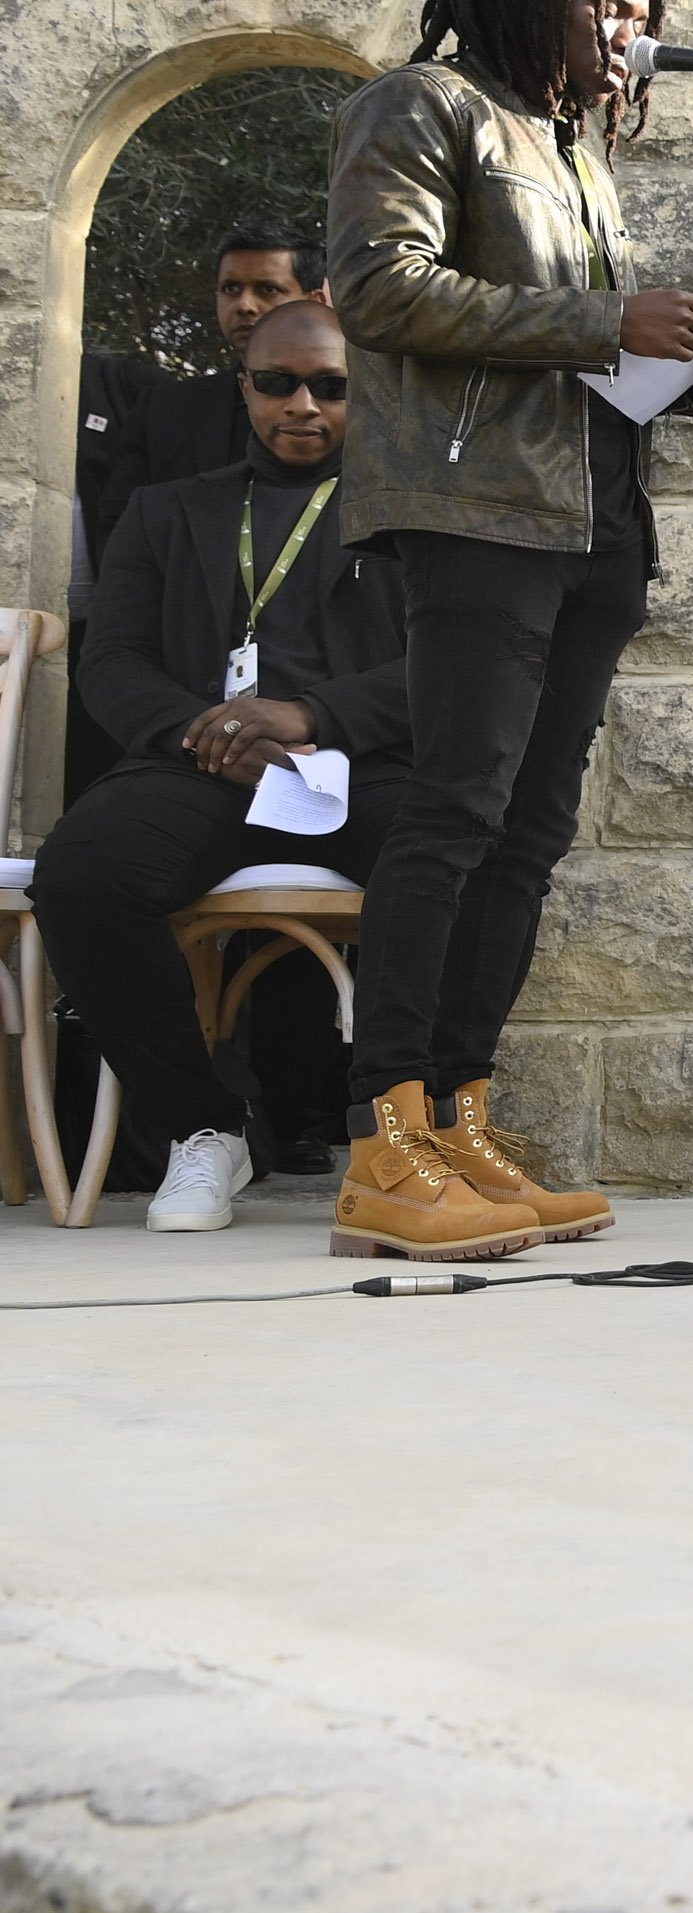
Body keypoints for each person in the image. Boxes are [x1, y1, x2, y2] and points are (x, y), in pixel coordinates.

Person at [320, 0, 693, 1261]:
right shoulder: (422, 106)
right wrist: (599, 317)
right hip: (473, 513)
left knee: (527, 833)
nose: (625, 29)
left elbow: (576, 359)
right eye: (604, 2)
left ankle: (459, 1114)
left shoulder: (576, 153)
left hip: (589, 519)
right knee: (451, 809)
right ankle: (381, 1140)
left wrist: (682, 371)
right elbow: (378, 289)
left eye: (639, 11)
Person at [31, 302, 412, 1231]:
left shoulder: (410, 517)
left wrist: (312, 713)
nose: (304, 406)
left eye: (331, 386)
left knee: (463, 863)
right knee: (82, 875)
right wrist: (209, 729)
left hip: (355, 766)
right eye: (278, 382)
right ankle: (204, 1128)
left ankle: (405, 1132)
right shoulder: (167, 510)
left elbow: (451, 667)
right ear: (244, 383)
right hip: (200, 767)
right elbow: (111, 661)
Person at [70, 224, 329, 798]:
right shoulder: (166, 408)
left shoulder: (366, 423)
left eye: (266, 288)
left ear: (317, 300)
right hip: (178, 691)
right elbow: (123, 547)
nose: (245, 305)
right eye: (230, 289)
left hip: (324, 718)